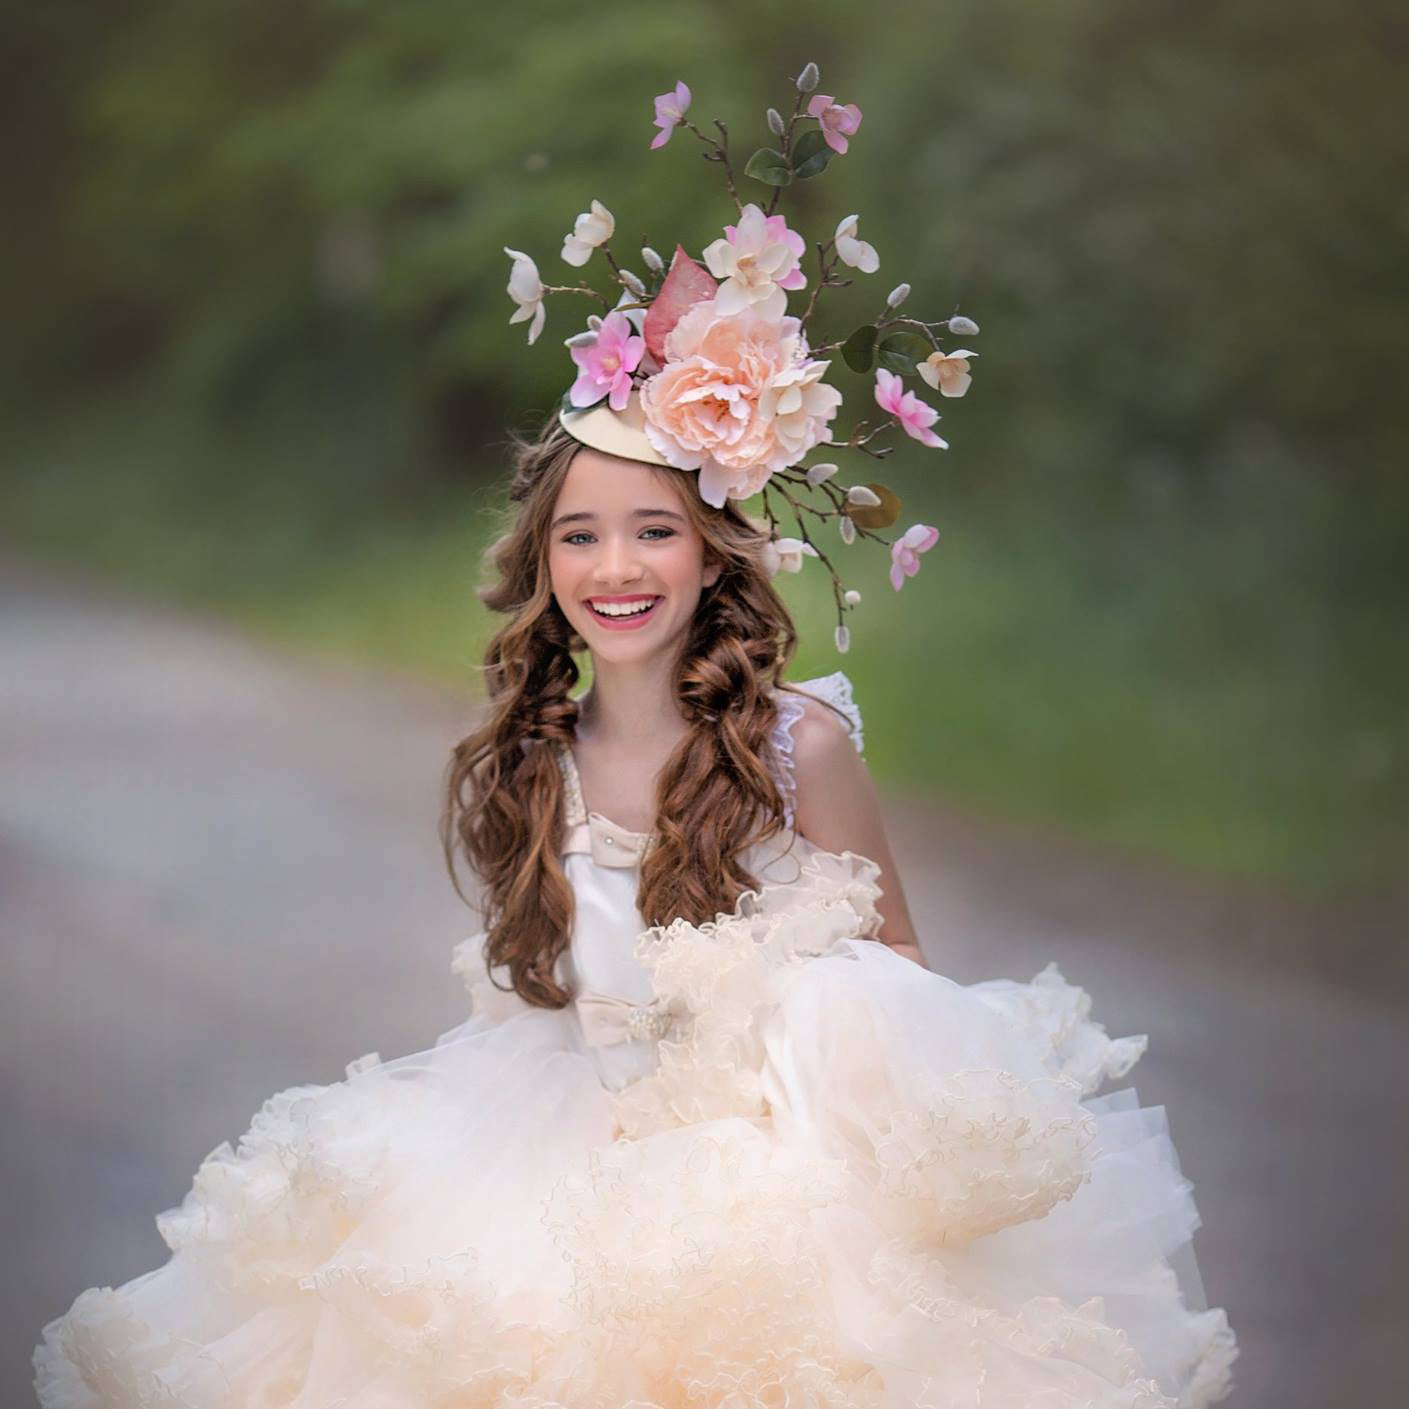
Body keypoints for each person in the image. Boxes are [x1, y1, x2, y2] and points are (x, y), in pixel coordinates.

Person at [34, 66, 1237, 1409]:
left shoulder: (796, 745)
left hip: (767, 1154)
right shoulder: (526, 753)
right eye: (580, 532)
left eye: (653, 528)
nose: (617, 563)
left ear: (713, 551)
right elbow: (542, 976)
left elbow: (896, 960)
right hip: (556, 1137)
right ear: (540, 557)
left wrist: (787, 1042)